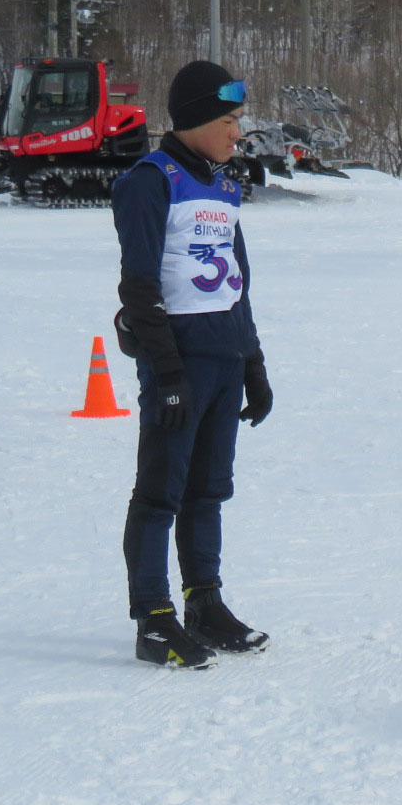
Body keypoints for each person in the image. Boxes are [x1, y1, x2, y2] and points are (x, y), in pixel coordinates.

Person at [112, 60, 273, 669]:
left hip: (224, 359)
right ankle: (153, 619)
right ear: (201, 118)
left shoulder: (225, 186)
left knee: (208, 491)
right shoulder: (150, 181)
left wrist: (252, 365)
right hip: (177, 365)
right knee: (161, 494)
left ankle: (205, 602)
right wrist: (169, 376)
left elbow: (237, 285)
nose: (238, 133)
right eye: (230, 120)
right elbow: (140, 288)